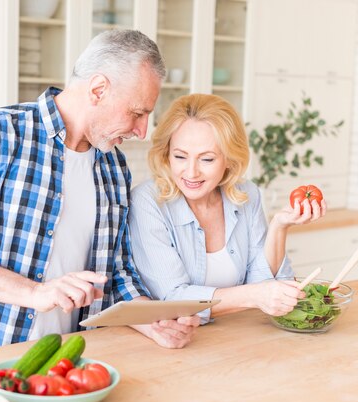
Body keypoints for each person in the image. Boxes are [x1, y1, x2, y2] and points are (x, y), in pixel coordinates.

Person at [0, 29, 199, 357]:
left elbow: (117, 272)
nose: (141, 131)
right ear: (98, 89)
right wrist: (35, 293)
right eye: (137, 113)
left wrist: (153, 321)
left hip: (62, 359)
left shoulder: (113, 167)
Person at [128, 94, 327, 324]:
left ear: (229, 159)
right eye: (180, 156)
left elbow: (264, 283)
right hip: (175, 342)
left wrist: (279, 227)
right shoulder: (148, 202)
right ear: (166, 155)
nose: (191, 172)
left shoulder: (245, 194)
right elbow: (172, 298)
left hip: (234, 335)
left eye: (207, 159)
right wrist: (253, 295)